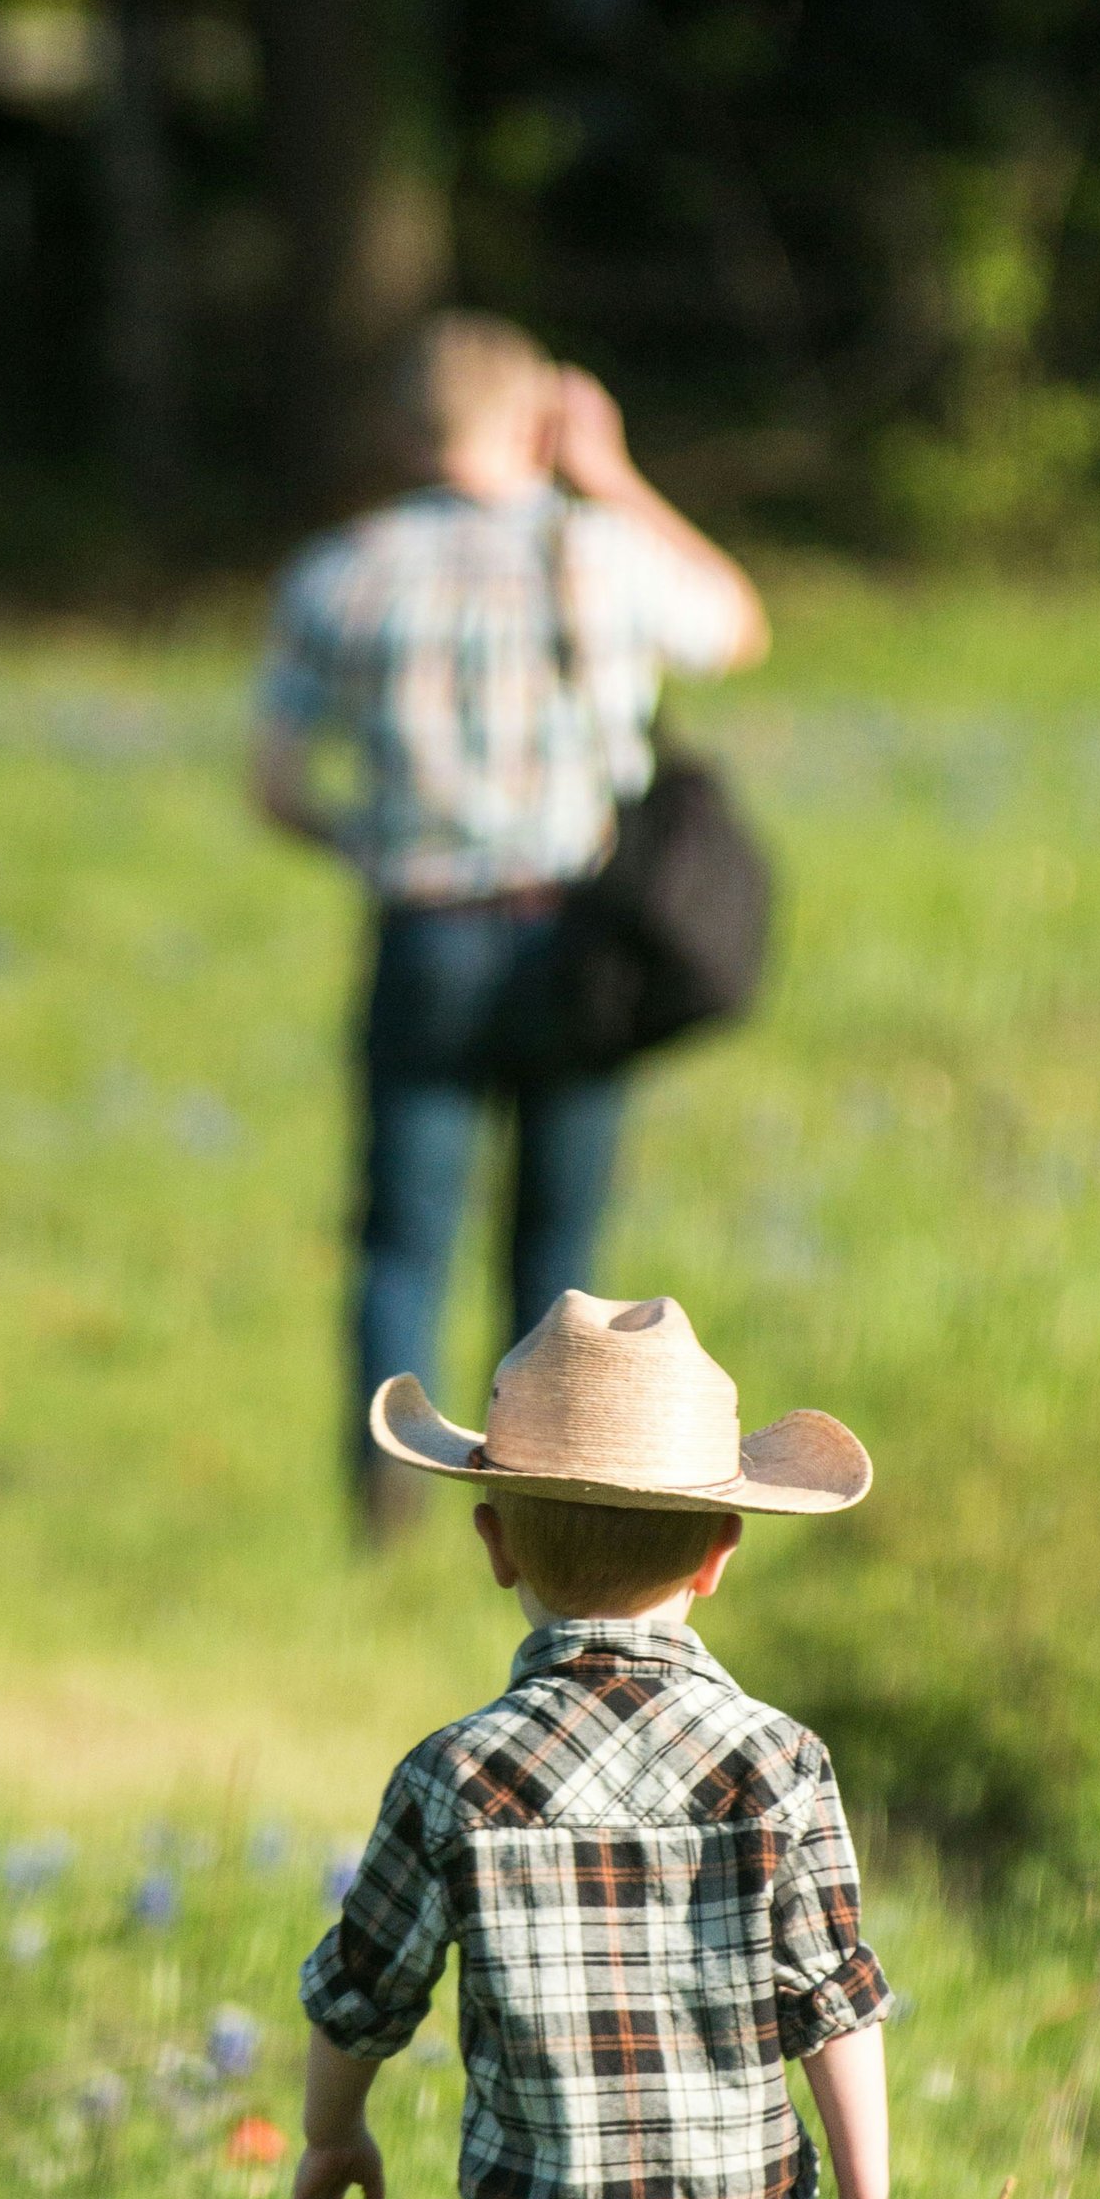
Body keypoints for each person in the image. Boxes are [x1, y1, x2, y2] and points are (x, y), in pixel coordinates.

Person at [286, 1287, 894, 2199]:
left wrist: (331, 2135)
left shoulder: (457, 1772)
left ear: (492, 1539)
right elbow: (837, 2000)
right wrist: (868, 2196)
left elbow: (364, 1990)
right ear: (724, 1554)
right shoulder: (779, 1761)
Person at [252, 312, 770, 1541]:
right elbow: (738, 625)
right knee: (560, 1247)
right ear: (538, 418)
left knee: (398, 1238)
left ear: (403, 430)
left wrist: (371, 849)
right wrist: (614, 473)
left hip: (423, 932)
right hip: (575, 942)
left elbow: (276, 788)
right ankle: (549, 1499)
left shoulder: (340, 574)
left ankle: (380, 1498)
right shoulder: (603, 553)